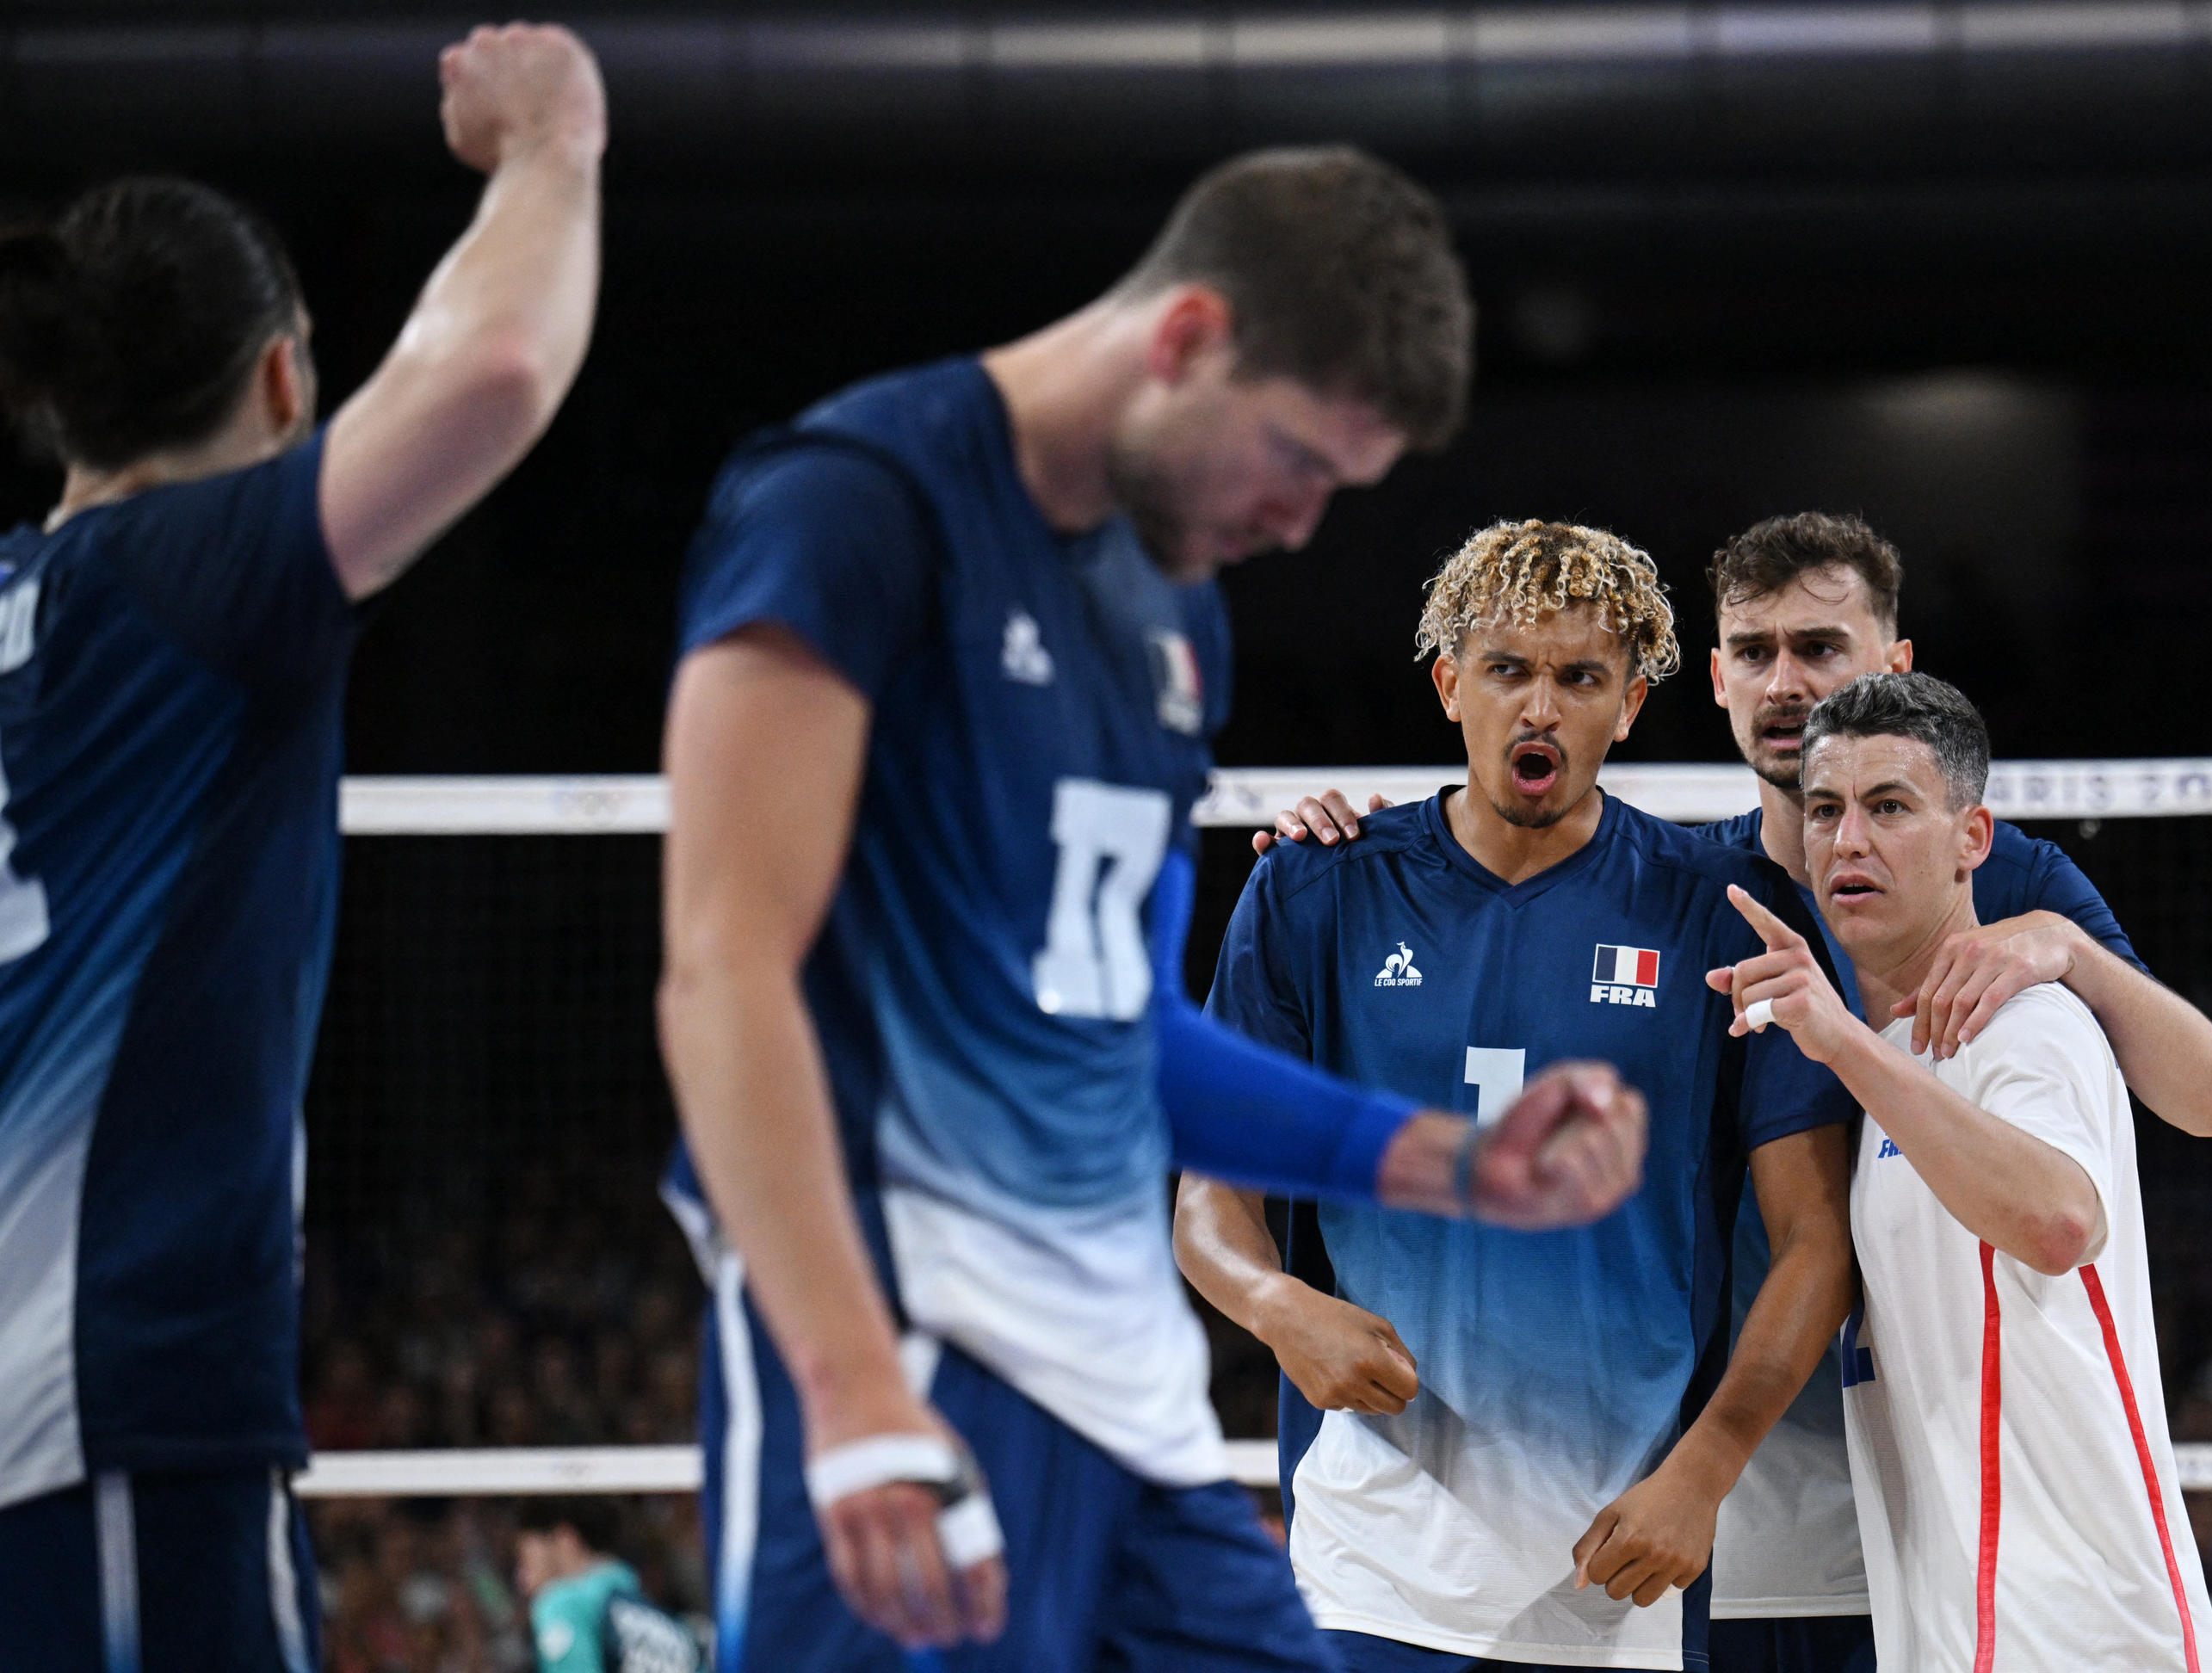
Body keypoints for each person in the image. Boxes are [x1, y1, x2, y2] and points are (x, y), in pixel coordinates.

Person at [655, 147, 1652, 1673]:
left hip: (1119, 1385)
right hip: (899, 1334)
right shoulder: (857, 501)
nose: (1303, 522)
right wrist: (849, 1386)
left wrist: (1455, 1164)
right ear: (1188, 339)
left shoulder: (1172, 605)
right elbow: (723, 970)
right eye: (1300, 462)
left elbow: (1120, 1025)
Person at [1265, 510, 2212, 1670]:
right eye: (1756, 651)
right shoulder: (1689, 887)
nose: (1788, 682)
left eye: (1821, 649)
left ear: (1895, 669)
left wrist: (2068, 950)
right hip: (1685, 1533)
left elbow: (2210, 1102)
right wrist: (1371, 855)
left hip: (1908, 1530)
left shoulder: (1989, 876)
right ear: (1716, 678)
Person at [0, 24, 604, 1670]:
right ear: (282, 380)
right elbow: (487, 374)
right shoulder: (192, 582)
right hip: (104, 1411)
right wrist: (554, 138)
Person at [1173, 520, 1857, 1673]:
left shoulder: (1721, 910)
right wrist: (1275, 1305)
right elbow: (1210, 1195)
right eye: (1508, 671)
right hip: (1373, 1556)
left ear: (1631, 703)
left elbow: (1816, 1237)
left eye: (1581, 677)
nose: (1540, 707)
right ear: (1450, 686)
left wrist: (1708, 1467)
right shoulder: (1313, 890)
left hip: (1623, 1561)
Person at [1720, 670, 2212, 1671]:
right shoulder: (1891, 1055)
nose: (1847, 841)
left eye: (1888, 808)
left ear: (1972, 841)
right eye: (1825, 811)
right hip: (1956, 1621)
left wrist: (1838, 1042)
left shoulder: (2027, 1020)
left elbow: (2056, 1222)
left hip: (2082, 1629)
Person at [517, 1499, 703, 1673]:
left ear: (566, 1541)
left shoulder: (563, 1603)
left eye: (525, 1558)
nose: (521, 1578)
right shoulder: (659, 1620)